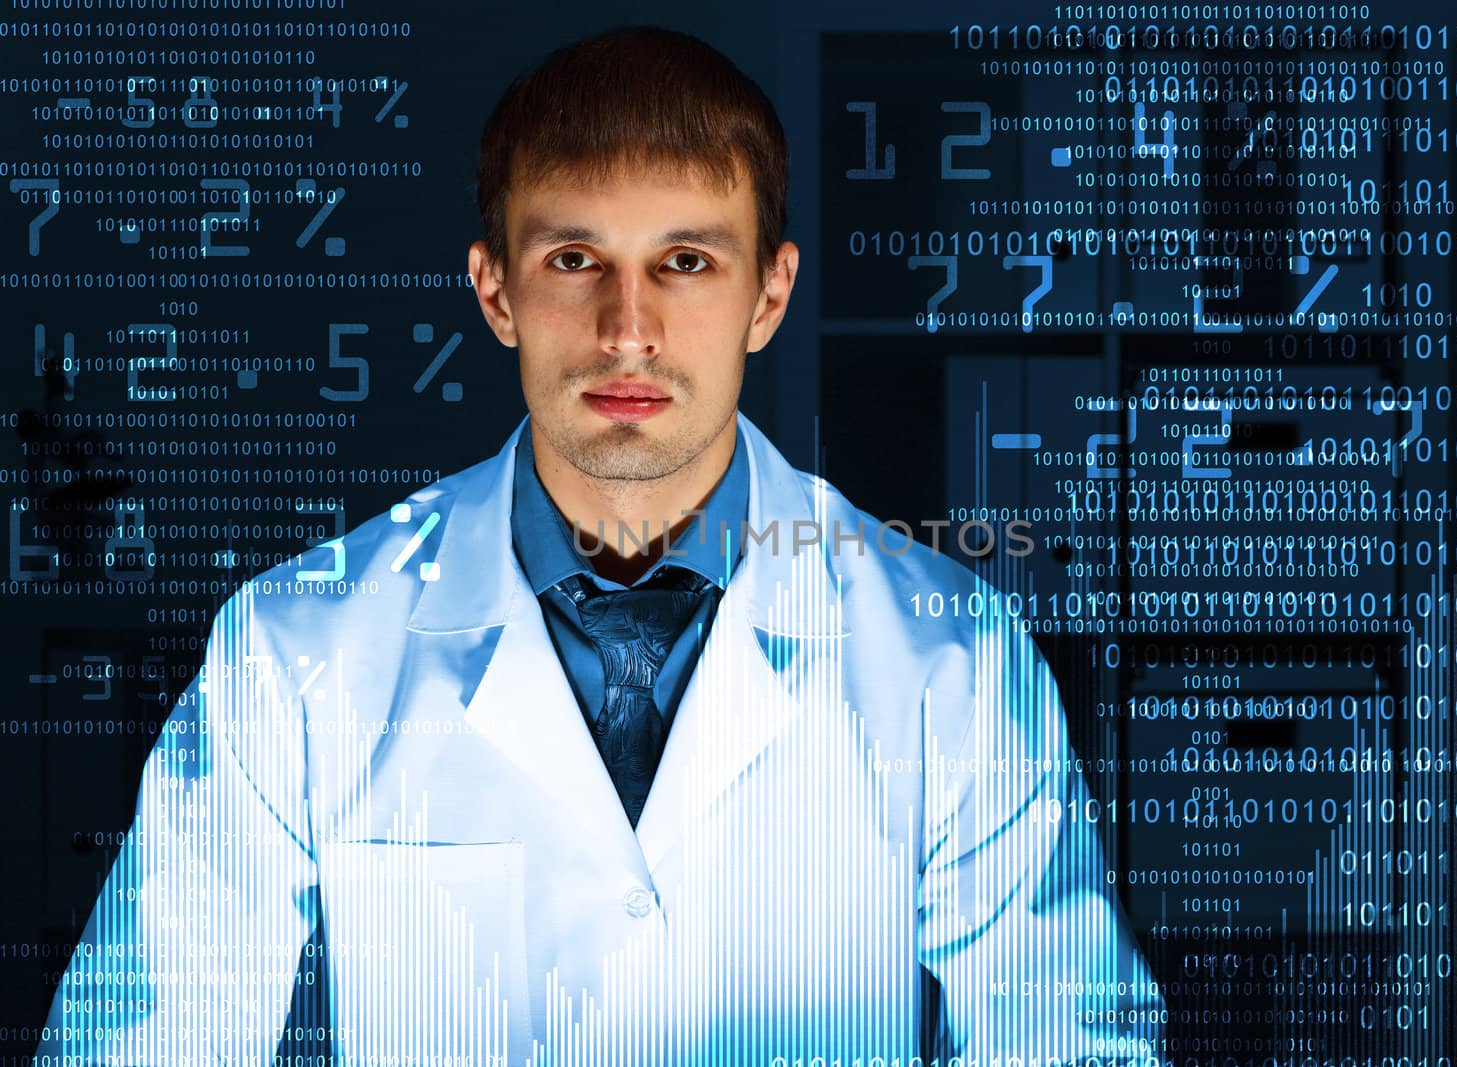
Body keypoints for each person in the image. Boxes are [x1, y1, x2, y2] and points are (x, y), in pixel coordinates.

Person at [36, 26, 1162, 1066]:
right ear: (496, 290)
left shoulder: (944, 656)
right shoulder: (292, 652)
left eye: (687, 261)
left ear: (769, 296)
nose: (629, 327)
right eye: (576, 260)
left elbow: (1071, 1041)